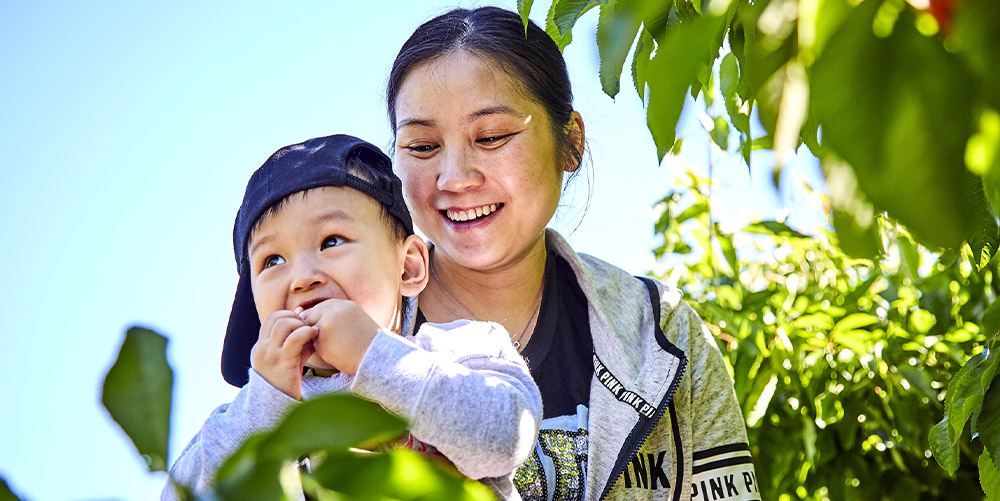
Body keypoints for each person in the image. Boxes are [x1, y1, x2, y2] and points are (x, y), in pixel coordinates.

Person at [385, 7, 759, 501]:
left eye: (492, 136)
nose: (455, 177)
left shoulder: (663, 333)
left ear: (571, 141)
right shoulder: (353, 338)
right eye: (423, 145)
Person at [163, 134, 542, 500]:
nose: (302, 277)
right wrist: (266, 404)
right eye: (272, 260)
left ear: (408, 267)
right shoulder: (243, 419)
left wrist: (373, 355)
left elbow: (508, 438)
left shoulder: (460, 349)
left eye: (331, 241)